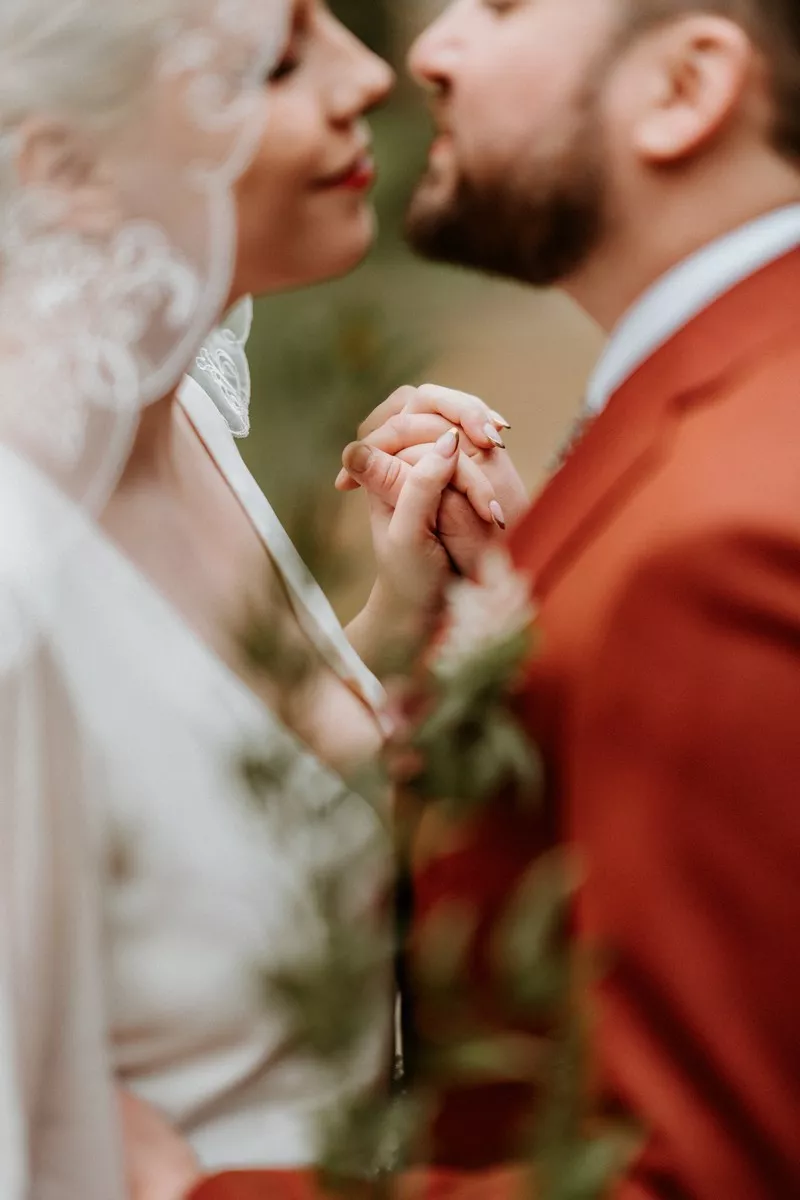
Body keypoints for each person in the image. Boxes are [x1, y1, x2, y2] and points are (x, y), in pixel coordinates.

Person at [192, 0, 800, 1196]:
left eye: (502, 6)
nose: (423, 54)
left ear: (683, 90)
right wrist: (520, 620)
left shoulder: (715, 543)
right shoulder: (725, 421)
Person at [0, 0, 526, 1195]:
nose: (369, 76)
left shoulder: (167, 407)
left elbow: (189, 796)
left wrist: (400, 625)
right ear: (63, 168)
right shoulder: (13, 577)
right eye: (276, 59)